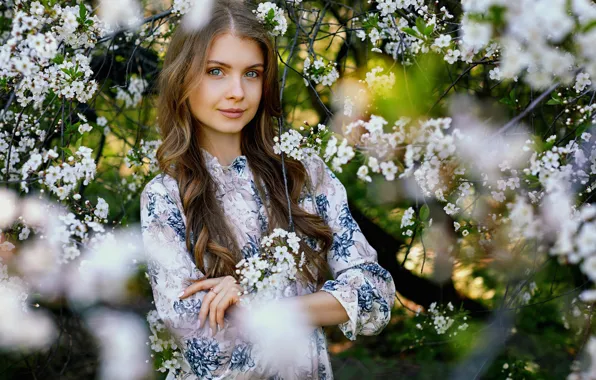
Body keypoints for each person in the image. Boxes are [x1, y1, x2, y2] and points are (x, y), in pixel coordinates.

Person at [140, 1, 396, 378]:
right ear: (184, 78)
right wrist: (319, 305)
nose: (237, 92)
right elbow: (208, 349)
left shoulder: (302, 173)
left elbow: (375, 294)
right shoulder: (165, 198)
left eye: (252, 74)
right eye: (216, 71)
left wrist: (259, 303)